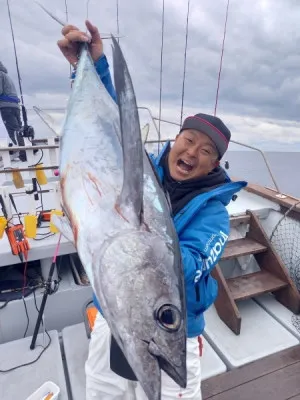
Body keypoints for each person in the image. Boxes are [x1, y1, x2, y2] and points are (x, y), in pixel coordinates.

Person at [58, 21, 247, 400]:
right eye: (189, 140)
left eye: (207, 151)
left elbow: (191, 263)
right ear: (175, 140)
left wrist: (146, 235)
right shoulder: (141, 169)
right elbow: (117, 130)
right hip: (113, 316)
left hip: (173, 333)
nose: (192, 153)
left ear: (216, 165)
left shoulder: (214, 215)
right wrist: (91, 65)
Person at [0, 61, 25, 158]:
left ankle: (24, 153)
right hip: (15, 106)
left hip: (6, 107)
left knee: (13, 132)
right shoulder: (6, 75)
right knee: (18, 129)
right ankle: (27, 149)